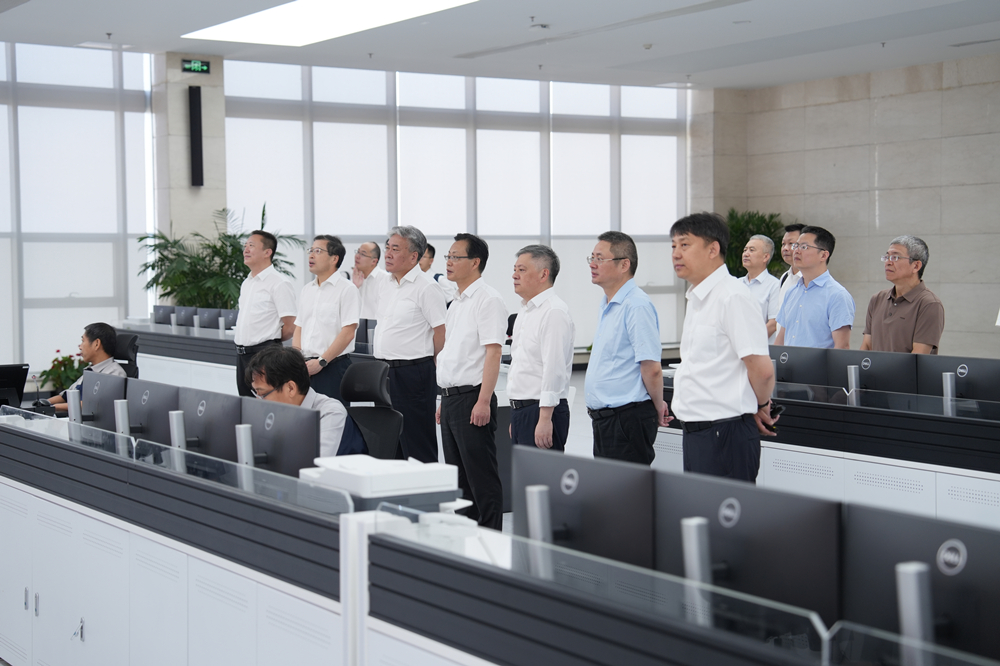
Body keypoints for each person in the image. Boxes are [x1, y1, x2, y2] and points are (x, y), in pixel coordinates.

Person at [670, 212, 777, 482]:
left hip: (724, 433)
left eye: (685, 244)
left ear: (713, 249)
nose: (676, 254)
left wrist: (761, 405)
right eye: (673, 246)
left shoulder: (732, 297)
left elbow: (762, 370)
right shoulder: (698, 297)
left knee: (724, 509)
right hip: (699, 433)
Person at [435, 234, 508, 529]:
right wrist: (443, 398)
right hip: (451, 398)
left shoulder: (488, 299)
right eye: (448, 256)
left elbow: (493, 352)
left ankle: (491, 539)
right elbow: (452, 354)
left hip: (473, 398)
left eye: (456, 257)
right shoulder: (456, 301)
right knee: (459, 481)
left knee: (481, 478)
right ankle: (466, 538)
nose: (449, 262)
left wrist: (483, 400)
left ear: (475, 262)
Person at [584, 231, 670, 465]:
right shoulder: (608, 303)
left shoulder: (636, 305)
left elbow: (651, 367)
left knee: (628, 487)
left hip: (626, 419)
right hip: (606, 421)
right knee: (610, 487)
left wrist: (657, 405)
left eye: (600, 258)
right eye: (591, 258)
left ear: (624, 265)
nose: (592, 264)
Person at [373, 226, 447, 462]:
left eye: (395, 249)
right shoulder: (384, 284)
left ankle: (426, 484)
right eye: (387, 247)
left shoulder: (427, 287)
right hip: (383, 372)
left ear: (414, 256)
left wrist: (434, 367)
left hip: (413, 373)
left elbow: (441, 332)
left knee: (416, 443)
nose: (388, 253)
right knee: (388, 443)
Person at [508, 245, 575, 452]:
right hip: (523, 411)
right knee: (525, 473)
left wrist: (544, 419)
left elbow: (553, 369)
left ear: (543, 274)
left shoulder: (553, 312)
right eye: (515, 269)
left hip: (542, 411)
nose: (514, 275)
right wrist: (517, 415)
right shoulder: (525, 311)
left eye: (522, 270)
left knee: (542, 472)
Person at [246, 346, 366, 458]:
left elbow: (314, 463)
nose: (258, 400)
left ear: (290, 388)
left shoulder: (330, 413)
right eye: (256, 393)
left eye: (262, 394)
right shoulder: (276, 413)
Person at [293, 235, 360, 402]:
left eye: (318, 251)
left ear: (334, 259)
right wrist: (296, 359)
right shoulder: (307, 290)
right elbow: (299, 327)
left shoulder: (347, 289)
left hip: (332, 367)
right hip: (304, 368)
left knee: (332, 416)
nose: (311, 255)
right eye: (310, 250)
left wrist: (321, 362)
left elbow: (348, 333)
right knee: (303, 415)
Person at [233, 229, 297, 397]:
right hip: (242, 355)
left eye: (251, 245)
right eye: (245, 246)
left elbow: (290, 326)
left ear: (267, 252)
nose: (246, 250)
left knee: (267, 403)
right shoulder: (247, 283)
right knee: (246, 403)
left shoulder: (279, 283)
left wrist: (270, 341)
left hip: (265, 355)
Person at [861, 235, 945, 354]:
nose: (888, 262)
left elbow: (918, 356)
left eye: (895, 257)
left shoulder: (929, 304)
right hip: (874, 367)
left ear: (916, 266)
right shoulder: (877, 299)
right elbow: (866, 346)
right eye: (887, 257)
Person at [775, 225, 855, 349]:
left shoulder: (837, 295)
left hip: (819, 363)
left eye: (804, 247)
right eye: (796, 246)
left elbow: (842, 347)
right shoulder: (791, 292)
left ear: (823, 255)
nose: (796, 251)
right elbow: (780, 340)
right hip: (788, 362)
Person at [44, 323, 126, 413]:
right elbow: (66, 396)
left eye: (83, 341)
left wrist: (54, 407)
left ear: (96, 344)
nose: (80, 347)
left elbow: (92, 405)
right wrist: (44, 403)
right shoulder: (91, 370)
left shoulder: (115, 374)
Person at [739, 234, 781, 343]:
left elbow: (773, 323)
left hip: (759, 348)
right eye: (745, 250)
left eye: (752, 250)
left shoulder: (775, 285)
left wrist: (749, 343)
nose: (746, 254)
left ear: (765, 257)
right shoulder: (736, 283)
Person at [774, 223, 804, 343]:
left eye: (791, 244)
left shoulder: (810, 280)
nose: (785, 248)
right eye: (783, 244)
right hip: (783, 348)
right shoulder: (785, 277)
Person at [352, 241, 387, 321]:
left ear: (374, 261)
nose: (357, 256)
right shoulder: (354, 279)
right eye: (358, 252)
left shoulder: (385, 280)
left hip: (376, 327)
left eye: (363, 254)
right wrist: (355, 287)